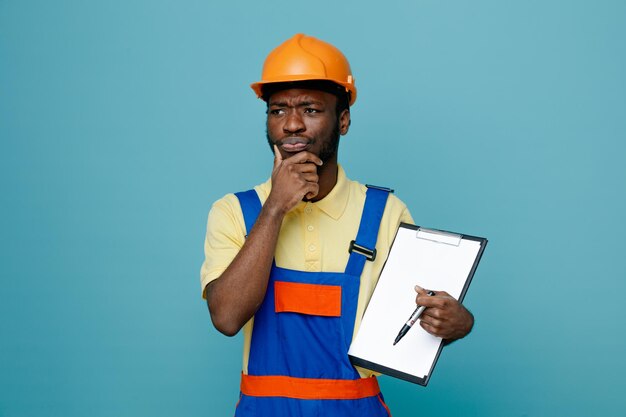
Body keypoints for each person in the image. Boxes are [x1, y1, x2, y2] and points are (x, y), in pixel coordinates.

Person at [200, 33, 474, 417]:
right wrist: (276, 207)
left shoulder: (386, 213)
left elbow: (408, 326)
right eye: (278, 110)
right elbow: (226, 318)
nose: (292, 124)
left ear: (342, 120)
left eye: (310, 109)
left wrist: (454, 325)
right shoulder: (235, 212)